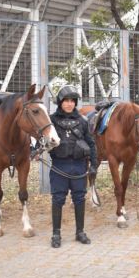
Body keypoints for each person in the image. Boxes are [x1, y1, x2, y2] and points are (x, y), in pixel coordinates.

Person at [49, 85, 97, 248]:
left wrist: (94, 166)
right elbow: (41, 140)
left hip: (78, 165)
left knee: (79, 198)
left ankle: (80, 232)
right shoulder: (51, 121)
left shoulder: (82, 121)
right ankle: (56, 233)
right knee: (58, 199)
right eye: (66, 101)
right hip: (59, 166)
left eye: (72, 101)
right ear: (60, 102)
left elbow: (91, 144)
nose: (69, 104)